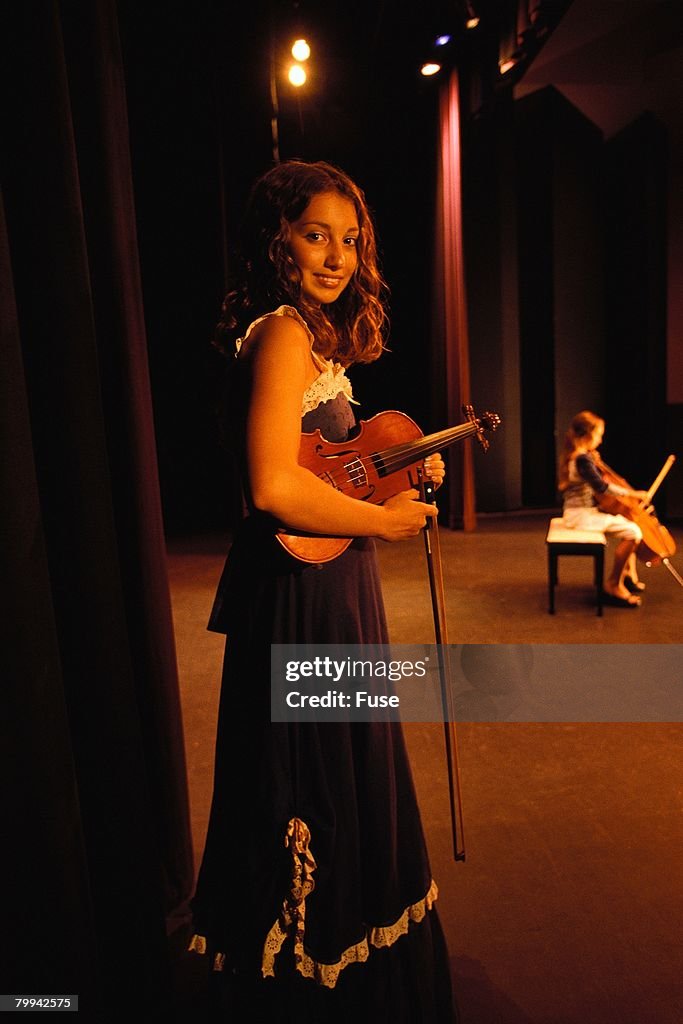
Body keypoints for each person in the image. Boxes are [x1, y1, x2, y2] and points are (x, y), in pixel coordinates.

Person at [188, 160, 457, 1022]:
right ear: (278, 241)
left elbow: (327, 471)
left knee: (346, 764)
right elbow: (271, 485)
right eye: (315, 234)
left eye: (349, 239)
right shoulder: (279, 335)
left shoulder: (315, 338)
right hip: (301, 595)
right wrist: (379, 523)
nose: (335, 255)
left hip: (331, 583)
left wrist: (396, 475)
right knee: (314, 781)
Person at [558, 410, 649, 607]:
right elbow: (602, 487)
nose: (600, 440)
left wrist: (596, 462)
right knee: (634, 532)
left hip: (580, 513)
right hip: (579, 516)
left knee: (630, 523)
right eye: (599, 435)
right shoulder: (582, 459)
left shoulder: (579, 456)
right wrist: (634, 494)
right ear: (588, 434)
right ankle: (613, 584)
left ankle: (627, 574)